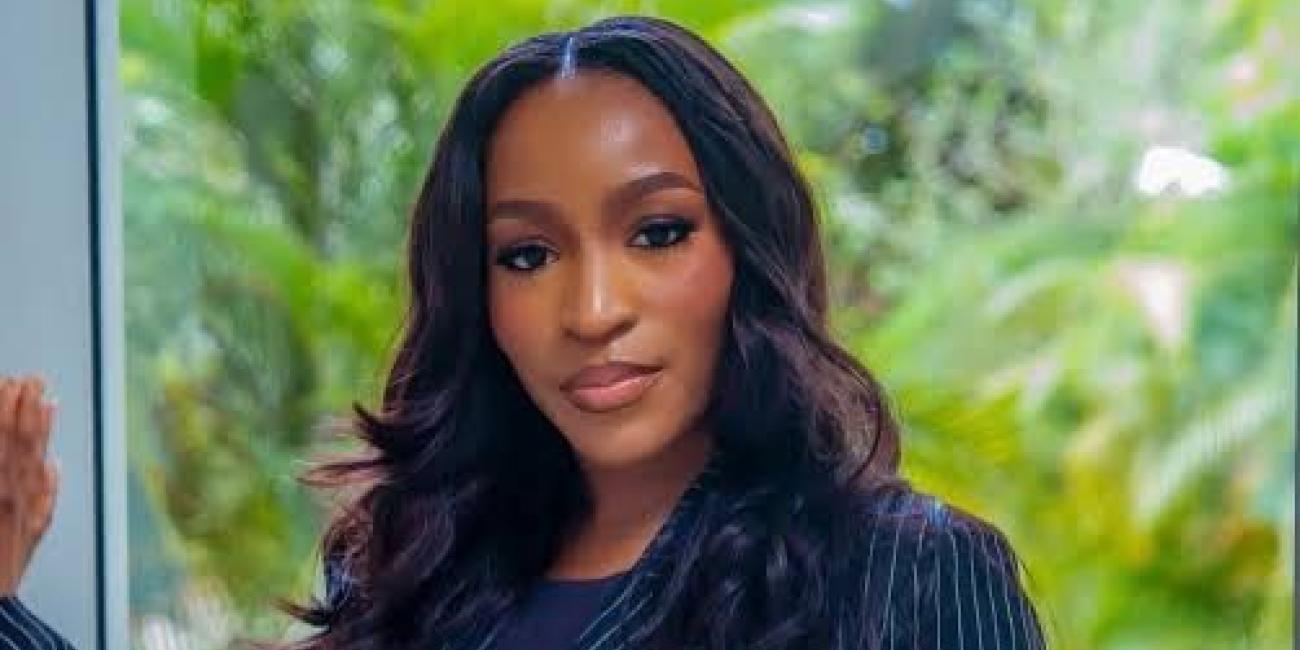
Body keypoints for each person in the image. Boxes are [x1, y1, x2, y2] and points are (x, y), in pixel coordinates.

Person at [1, 14, 1049, 650]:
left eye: (656, 232)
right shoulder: (403, 571)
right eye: (528, 254)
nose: (591, 311)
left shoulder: (908, 574)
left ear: (747, 247)